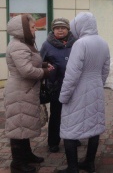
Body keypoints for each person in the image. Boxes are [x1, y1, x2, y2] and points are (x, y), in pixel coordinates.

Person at [58, 12, 110, 173]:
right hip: (95, 88)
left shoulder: (80, 44)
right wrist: (98, 84)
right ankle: (89, 163)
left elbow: (72, 74)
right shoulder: (103, 42)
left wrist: (64, 96)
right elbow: (105, 69)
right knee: (94, 126)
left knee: (70, 129)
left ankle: (72, 168)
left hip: (78, 90)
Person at [4, 14, 54, 173]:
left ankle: (26, 155)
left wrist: (44, 64)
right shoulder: (18, 46)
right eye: (32, 27)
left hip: (25, 91)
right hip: (19, 92)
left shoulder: (24, 44)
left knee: (23, 125)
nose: (36, 29)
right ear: (23, 29)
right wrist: (45, 72)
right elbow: (26, 70)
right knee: (18, 126)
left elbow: (30, 62)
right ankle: (17, 163)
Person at [40, 18, 76, 153]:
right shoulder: (47, 45)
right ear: (53, 30)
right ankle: (53, 142)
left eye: (63, 28)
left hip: (73, 85)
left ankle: (73, 137)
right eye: (57, 28)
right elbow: (39, 63)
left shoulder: (76, 43)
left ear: (68, 29)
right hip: (56, 86)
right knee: (56, 114)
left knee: (73, 113)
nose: (60, 30)